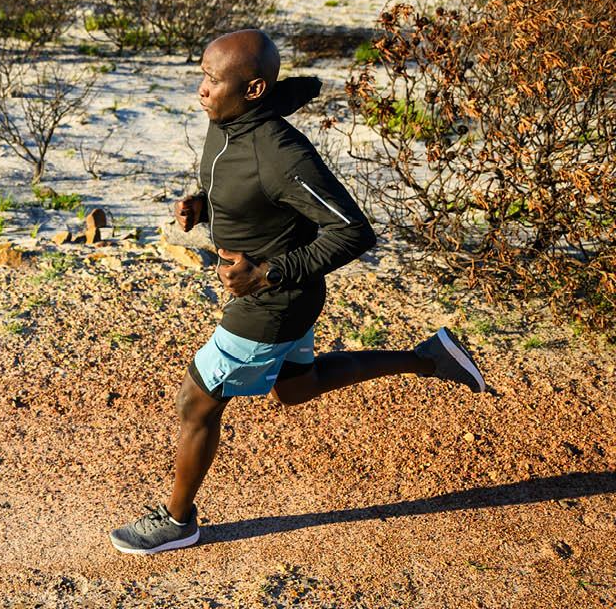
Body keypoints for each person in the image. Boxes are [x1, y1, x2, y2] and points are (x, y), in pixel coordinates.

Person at [108, 30, 486, 554]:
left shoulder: (281, 152)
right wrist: (204, 205)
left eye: (213, 80)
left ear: (254, 89)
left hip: (276, 301)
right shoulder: (227, 119)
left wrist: (267, 273)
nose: (201, 90)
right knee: (296, 388)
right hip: (279, 295)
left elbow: (353, 232)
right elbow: (242, 187)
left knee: (196, 399)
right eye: (202, 74)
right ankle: (429, 359)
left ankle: (178, 521)